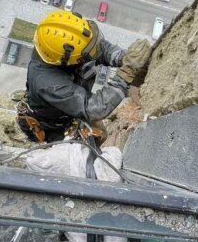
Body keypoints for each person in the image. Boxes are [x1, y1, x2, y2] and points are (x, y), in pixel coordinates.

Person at [16, 11, 152, 144]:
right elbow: (95, 108)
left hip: (70, 104)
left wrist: (122, 57)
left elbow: (99, 49)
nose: (93, 51)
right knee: (94, 140)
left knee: (100, 132)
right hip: (53, 127)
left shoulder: (63, 45)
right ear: (67, 61)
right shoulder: (48, 83)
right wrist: (126, 72)